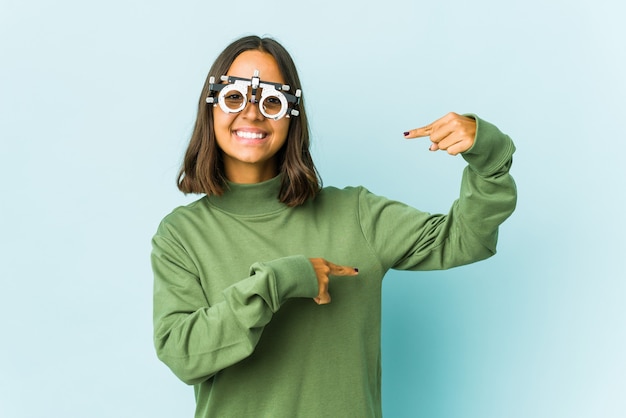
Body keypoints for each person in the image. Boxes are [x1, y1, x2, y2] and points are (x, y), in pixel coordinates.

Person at [151, 35, 517, 418]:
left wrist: (487, 154)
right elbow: (183, 353)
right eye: (235, 97)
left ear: (293, 114)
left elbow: (465, 239)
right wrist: (279, 280)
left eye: (272, 101)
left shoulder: (355, 214)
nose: (253, 113)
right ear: (211, 107)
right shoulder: (182, 235)